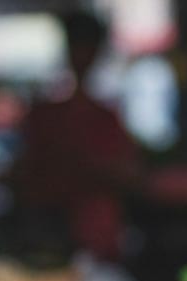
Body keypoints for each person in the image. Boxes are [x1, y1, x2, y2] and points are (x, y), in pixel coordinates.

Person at [15, 11, 144, 262]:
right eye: (79, 46)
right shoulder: (47, 114)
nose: (83, 55)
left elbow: (130, 174)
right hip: (53, 232)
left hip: (96, 236)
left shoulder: (104, 116)